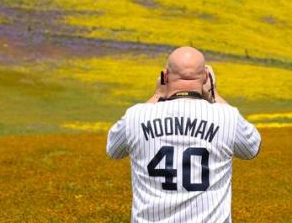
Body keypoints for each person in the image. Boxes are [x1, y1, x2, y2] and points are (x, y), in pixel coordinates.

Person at [107, 47, 261, 223]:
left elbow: (113, 150)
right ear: (205, 77)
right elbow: (252, 148)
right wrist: (214, 94)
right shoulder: (227, 116)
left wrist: (157, 95)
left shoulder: (135, 116)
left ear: (165, 76)